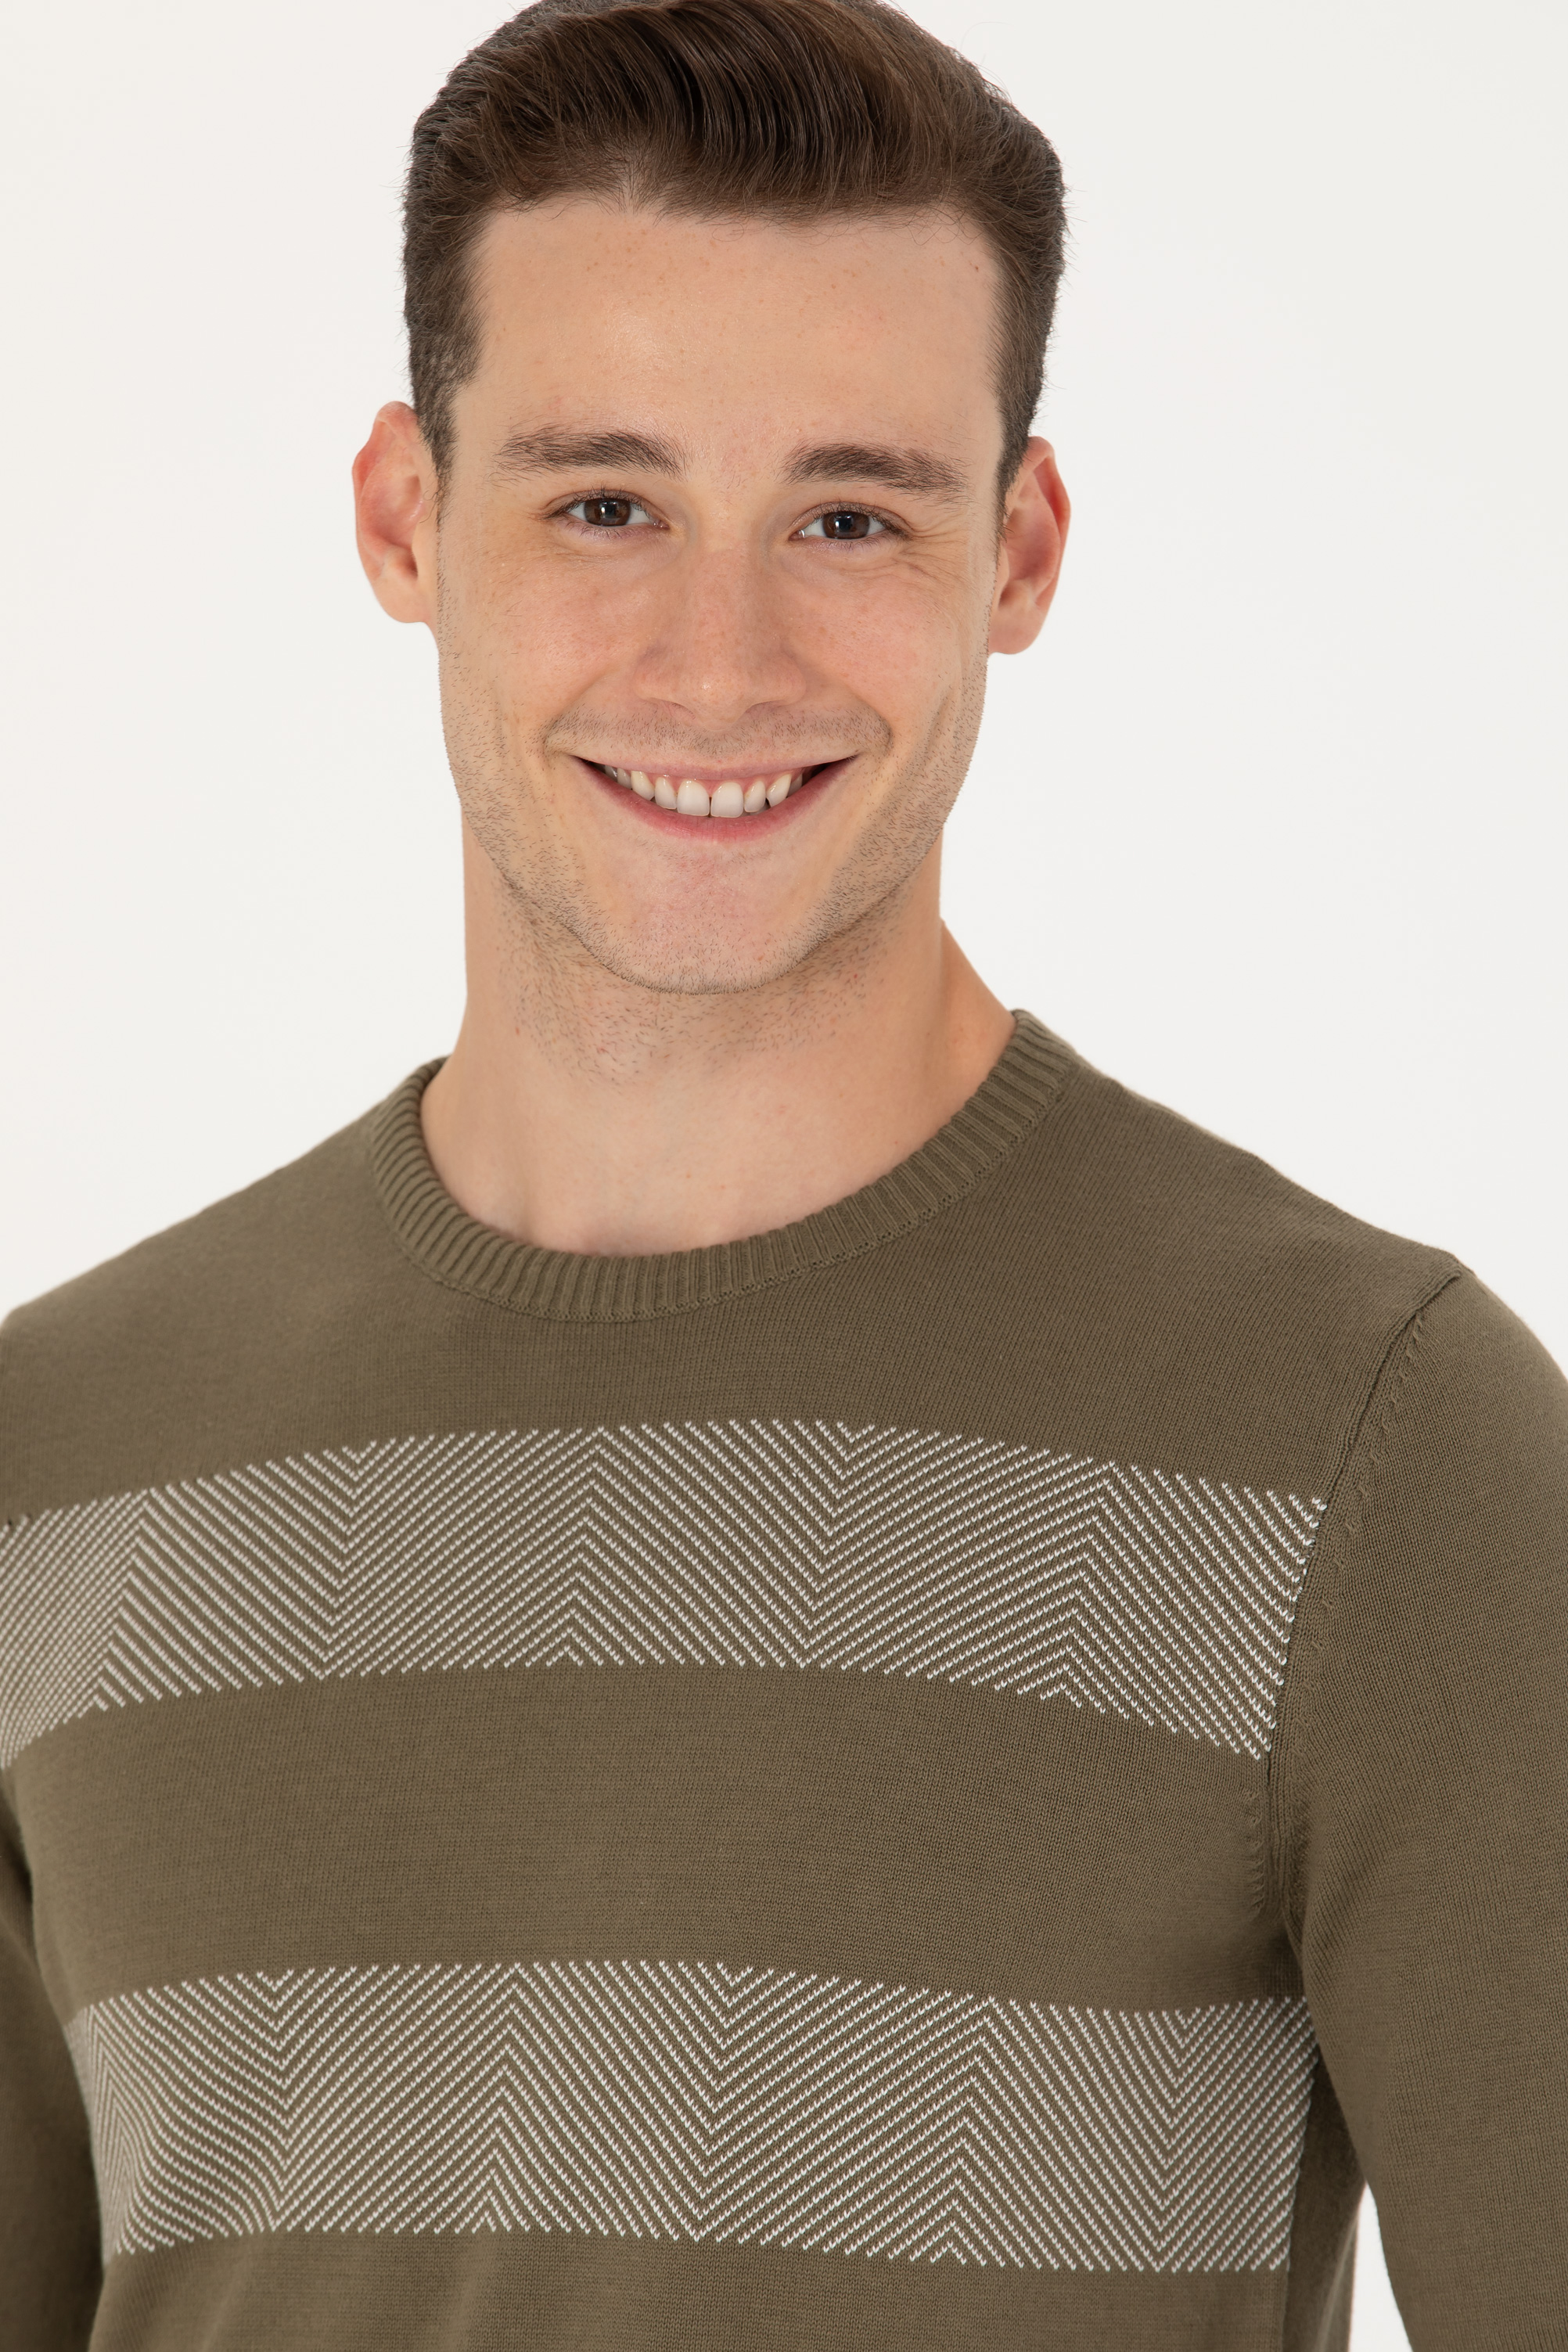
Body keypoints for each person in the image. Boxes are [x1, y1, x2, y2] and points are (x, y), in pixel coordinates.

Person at [1, 0, 1562, 2344]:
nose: (717, 664)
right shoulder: (55, 1459)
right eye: (603, 503)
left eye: (849, 516)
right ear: (405, 519)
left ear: (1016, 551)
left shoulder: (1371, 1445)